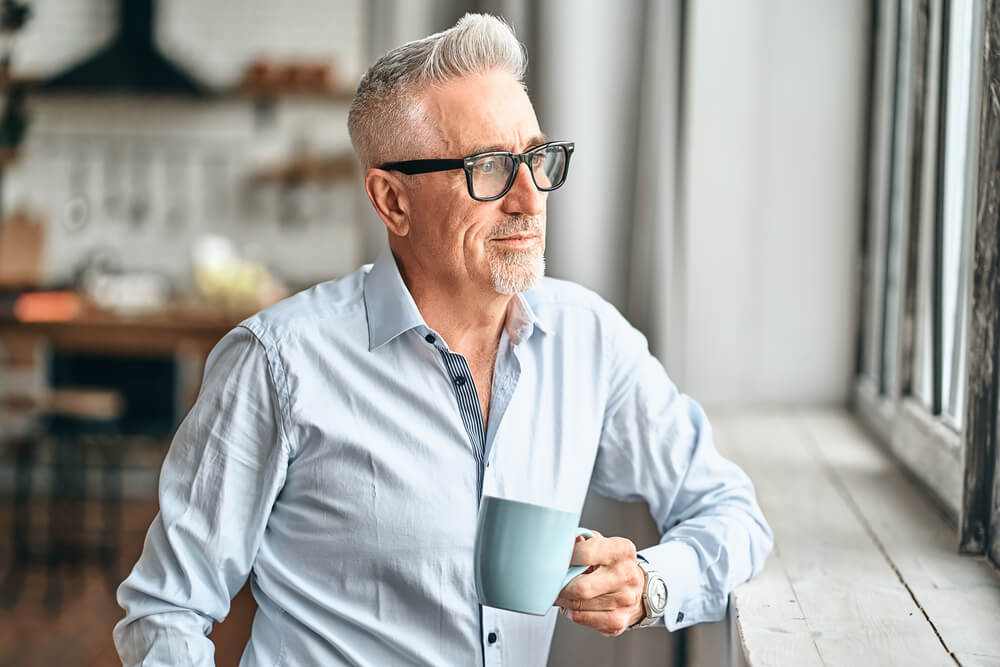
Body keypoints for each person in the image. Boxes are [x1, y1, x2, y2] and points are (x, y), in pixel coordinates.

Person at [114, 13, 772, 667]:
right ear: (392, 201)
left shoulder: (590, 340)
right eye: (489, 167)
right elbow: (166, 610)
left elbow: (731, 511)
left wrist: (652, 583)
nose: (529, 197)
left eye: (537, 158)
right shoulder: (279, 363)